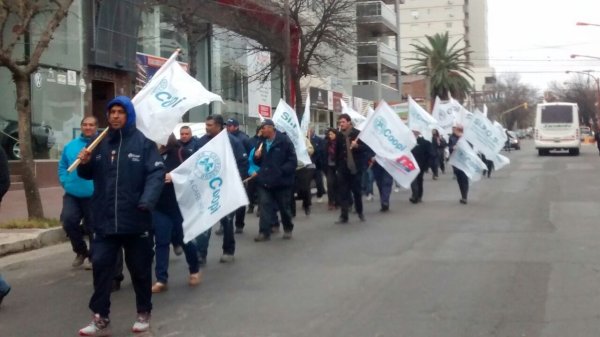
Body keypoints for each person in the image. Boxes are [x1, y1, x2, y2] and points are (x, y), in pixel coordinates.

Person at [77, 96, 165, 335]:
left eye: (120, 112)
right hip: (105, 222)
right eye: (112, 111)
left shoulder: (143, 144)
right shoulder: (99, 143)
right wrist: (85, 162)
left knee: (139, 270)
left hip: (136, 221)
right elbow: (88, 174)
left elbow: (156, 175)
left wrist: (146, 201)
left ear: (129, 116)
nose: (115, 116)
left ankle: (143, 312)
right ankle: (100, 316)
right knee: (101, 269)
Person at [194, 115, 248, 264]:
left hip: (225, 188)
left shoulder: (232, 142)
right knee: (204, 221)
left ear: (218, 126)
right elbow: (194, 162)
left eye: (210, 125)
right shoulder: (201, 142)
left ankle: (228, 250)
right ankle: (201, 253)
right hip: (206, 189)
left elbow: (243, 163)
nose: (207, 127)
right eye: (206, 124)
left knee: (227, 221)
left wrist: (236, 180)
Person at [151, 134, 201, 293]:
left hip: (178, 205)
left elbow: (193, 173)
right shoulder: (150, 154)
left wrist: (174, 177)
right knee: (161, 241)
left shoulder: (181, 152)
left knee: (184, 239)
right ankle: (161, 279)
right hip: (158, 205)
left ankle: (194, 269)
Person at [58, 116, 97, 269]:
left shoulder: (100, 146)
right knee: (68, 221)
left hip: (93, 194)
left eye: (91, 125)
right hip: (72, 194)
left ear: (96, 127)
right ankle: (81, 251)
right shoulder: (71, 146)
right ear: (81, 127)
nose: (88, 127)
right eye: (85, 125)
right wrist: (64, 180)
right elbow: (62, 165)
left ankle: (93, 258)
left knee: (93, 227)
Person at [252, 119, 297, 241]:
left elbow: (293, 161)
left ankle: (288, 228)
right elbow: (258, 162)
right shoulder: (261, 142)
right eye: (261, 128)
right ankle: (264, 232)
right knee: (265, 206)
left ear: (271, 128)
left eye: (264, 128)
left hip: (281, 182)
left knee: (283, 207)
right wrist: (257, 157)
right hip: (265, 181)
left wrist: (281, 171)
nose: (262, 131)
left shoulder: (284, 141)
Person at [334, 114, 369, 223]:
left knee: (356, 192)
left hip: (355, 168)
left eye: (343, 122)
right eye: (340, 122)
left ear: (349, 122)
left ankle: (360, 212)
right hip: (343, 168)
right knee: (343, 192)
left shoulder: (357, 134)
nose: (341, 124)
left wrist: (357, 146)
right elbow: (337, 152)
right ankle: (344, 215)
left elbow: (366, 149)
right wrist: (337, 166)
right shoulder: (339, 136)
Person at [225, 118, 251, 233]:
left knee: (240, 199)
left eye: (230, 126)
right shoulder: (224, 138)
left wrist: (244, 174)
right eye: (227, 125)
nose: (228, 128)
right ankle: (225, 224)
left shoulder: (243, 139)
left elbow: (249, 156)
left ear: (236, 126)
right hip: (227, 174)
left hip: (241, 173)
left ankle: (239, 224)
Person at [410, 130, 435, 203]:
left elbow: (430, 154)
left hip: (421, 164)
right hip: (410, 164)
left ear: (418, 133)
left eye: (415, 132)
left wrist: (427, 165)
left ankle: (419, 195)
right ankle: (415, 195)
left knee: (419, 180)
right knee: (413, 179)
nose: (413, 133)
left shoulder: (424, 142)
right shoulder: (408, 141)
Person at [448, 125, 469, 204]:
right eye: (456, 130)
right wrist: (452, 147)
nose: (456, 131)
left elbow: (470, 149)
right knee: (459, 179)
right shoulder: (452, 138)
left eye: (458, 130)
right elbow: (449, 147)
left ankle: (465, 196)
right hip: (456, 161)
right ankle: (463, 195)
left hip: (464, 161)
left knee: (464, 179)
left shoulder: (465, 138)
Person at [308, 128, 326, 203]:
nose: (309, 132)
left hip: (316, 164)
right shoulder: (305, 139)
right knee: (306, 183)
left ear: (313, 131)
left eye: (310, 131)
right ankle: (307, 199)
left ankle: (320, 195)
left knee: (318, 181)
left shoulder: (318, 140)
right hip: (307, 165)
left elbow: (321, 151)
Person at [324, 128, 339, 210]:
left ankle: (337, 201)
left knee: (337, 184)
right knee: (330, 184)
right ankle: (331, 201)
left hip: (337, 166)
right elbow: (324, 155)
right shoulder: (327, 144)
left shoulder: (338, 143)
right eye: (329, 134)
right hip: (329, 166)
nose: (330, 136)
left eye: (332, 134)